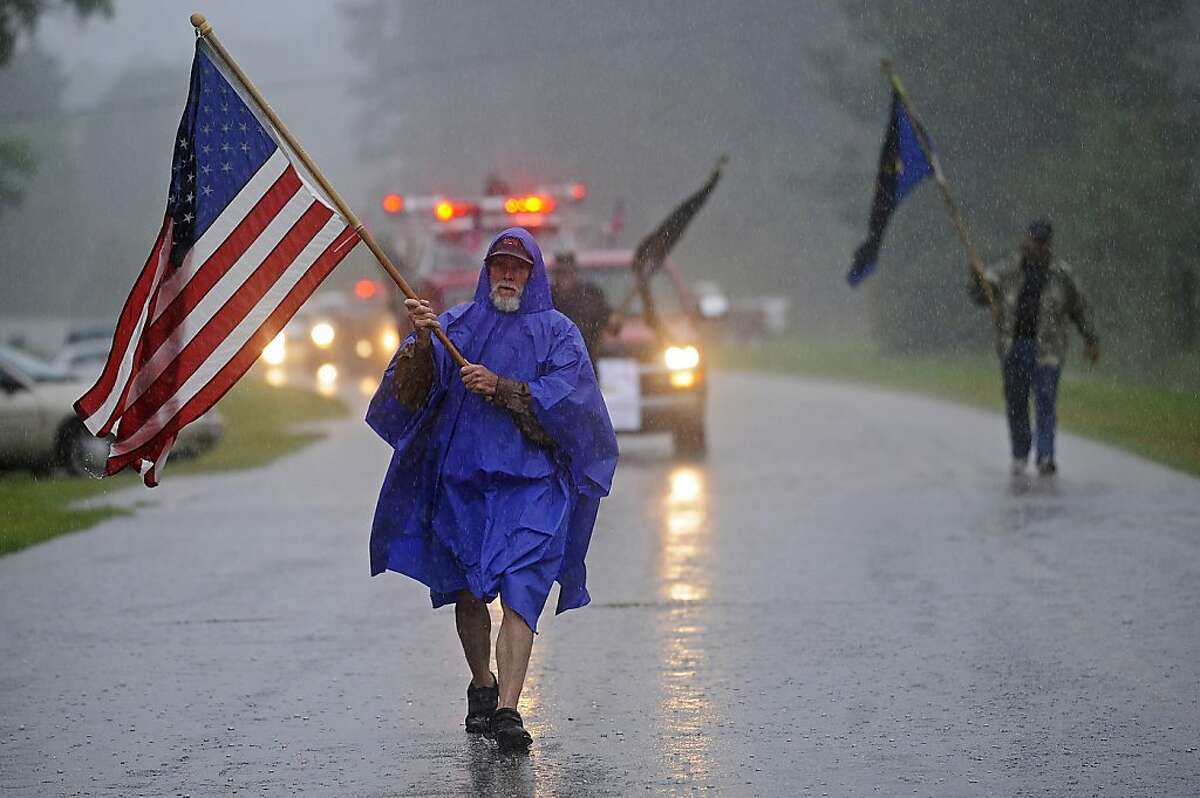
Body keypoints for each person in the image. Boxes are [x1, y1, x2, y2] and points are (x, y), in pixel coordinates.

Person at [366, 228, 618, 751]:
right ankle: (483, 683)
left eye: (518, 266)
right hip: (465, 483)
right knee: (469, 590)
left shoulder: (559, 333)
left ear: (534, 273)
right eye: (499, 264)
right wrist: (419, 341)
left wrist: (503, 386)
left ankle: (508, 709)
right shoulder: (453, 324)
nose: (508, 274)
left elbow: (573, 400)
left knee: (524, 588)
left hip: (534, 487)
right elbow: (412, 393)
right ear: (487, 270)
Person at [969, 219, 1100, 476]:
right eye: (1033, 241)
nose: (1036, 247)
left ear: (1049, 245)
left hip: (1048, 351)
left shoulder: (1062, 276)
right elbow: (982, 296)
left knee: (1045, 402)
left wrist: (1091, 338)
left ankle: (1045, 455)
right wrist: (976, 276)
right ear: (1025, 240)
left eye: (1041, 243)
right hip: (1013, 346)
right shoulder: (1007, 270)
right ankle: (1020, 454)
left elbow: (1080, 308)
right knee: (1016, 403)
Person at [550, 251, 613, 364]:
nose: (564, 276)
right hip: (554, 366)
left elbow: (610, 322)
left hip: (586, 363)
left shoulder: (591, 296)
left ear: (574, 273)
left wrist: (613, 320)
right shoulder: (545, 298)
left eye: (568, 272)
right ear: (554, 274)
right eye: (560, 272)